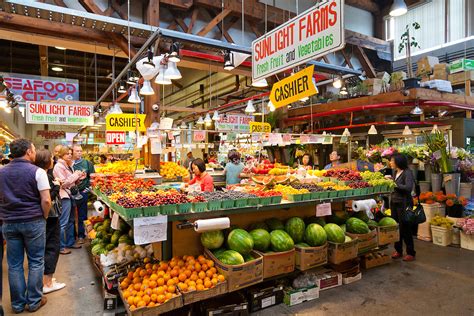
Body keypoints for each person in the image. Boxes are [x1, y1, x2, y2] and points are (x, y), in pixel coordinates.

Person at [0, 138, 51, 313]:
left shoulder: (2, 172)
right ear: (29, 152)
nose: (35, 152)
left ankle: (17, 304)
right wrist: (43, 217)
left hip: (9, 223)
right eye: (34, 149)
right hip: (33, 221)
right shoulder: (37, 172)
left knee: (14, 264)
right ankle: (34, 301)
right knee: (36, 261)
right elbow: (46, 199)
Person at [34, 149, 66, 294]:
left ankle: (45, 280)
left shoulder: (35, 173)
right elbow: (48, 198)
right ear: (47, 161)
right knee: (52, 247)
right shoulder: (43, 175)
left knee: (43, 248)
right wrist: (57, 186)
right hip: (50, 217)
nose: (53, 160)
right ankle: (47, 283)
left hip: (39, 217)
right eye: (52, 158)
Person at [53, 146, 85, 255]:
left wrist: (78, 179)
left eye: (71, 153)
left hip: (70, 195)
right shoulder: (58, 167)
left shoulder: (68, 165)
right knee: (63, 222)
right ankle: (62, 247)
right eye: (67, 153)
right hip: (64, 196)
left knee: (71, 220)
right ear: (61, 155)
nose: (70, 155)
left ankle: (70, 242)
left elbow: (70, 182)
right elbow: (64, 183)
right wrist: (76, 175)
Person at [388, 154, 416, 262]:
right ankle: (398, 250)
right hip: (394, 203)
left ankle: (410, 252)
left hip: (404, 204)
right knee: (396, 227)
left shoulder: (407, 172)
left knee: (405, 228)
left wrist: (394, 183)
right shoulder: (395, 172)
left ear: (398, 161)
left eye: (392, 161)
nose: (390, 162)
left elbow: (408, 188)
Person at [72, 145, 95, 244]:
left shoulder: (87, 163)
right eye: (77, 151)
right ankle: (72, 236)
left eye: (80, 151)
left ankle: (82, 235)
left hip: (83, 192)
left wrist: (87, 189)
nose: (79, 153)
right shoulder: (69, 164)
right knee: (71, 216)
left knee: (82, 215)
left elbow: (93, 177)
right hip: (70, 193)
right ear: (72, 152)